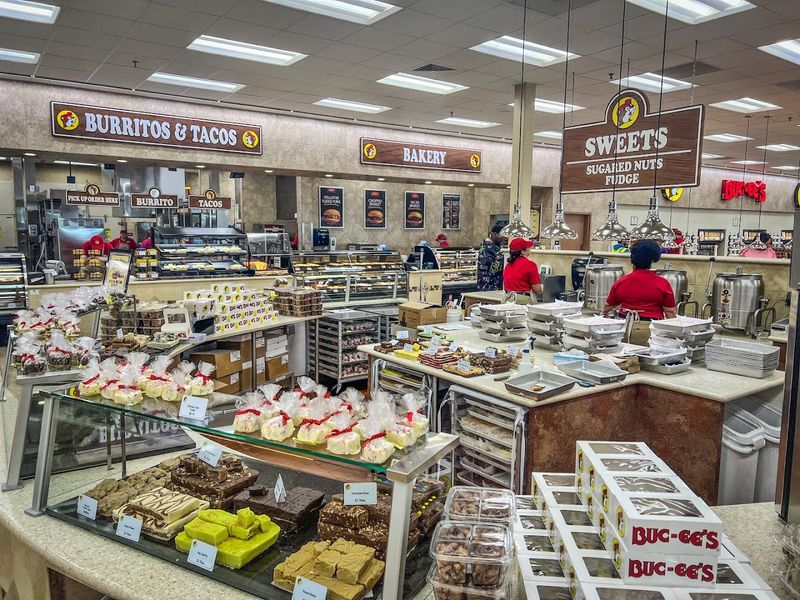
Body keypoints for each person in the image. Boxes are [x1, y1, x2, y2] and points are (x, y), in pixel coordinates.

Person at [603, 239, 676, 345]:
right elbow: (670, 312)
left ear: (632, 259)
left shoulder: (621, 282)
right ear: (653, 260)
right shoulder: (662, 283)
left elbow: (607, 307)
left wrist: (606, 317)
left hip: (624, 327)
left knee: (626, 359)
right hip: (650, 330)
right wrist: (672, 336)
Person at [477, 225, 506, 291]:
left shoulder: (496, 247)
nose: (505, 238)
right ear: (495, 234)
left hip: (494, 285)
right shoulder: (486, 249)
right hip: (488, 286)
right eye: (503, 235)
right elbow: (489, 268)